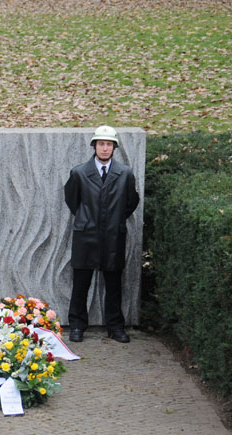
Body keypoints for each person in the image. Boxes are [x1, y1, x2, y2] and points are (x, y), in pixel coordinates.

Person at [64, 125, 141, 344]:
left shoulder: (125, 173)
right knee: (81, 283)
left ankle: (115, 326)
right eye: (101, 144)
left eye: (108, 144)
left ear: (114, 147)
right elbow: (72, 200)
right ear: (94, 146)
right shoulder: (79, 172)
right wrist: (87, 219)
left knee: (114, 283)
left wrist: (114, 219)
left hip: (113, 236)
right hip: (85, 235)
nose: (105, 148)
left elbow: (131, 202)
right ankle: (77, 325)